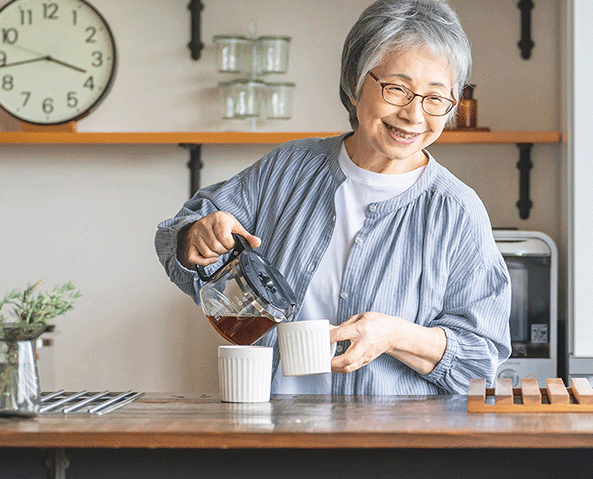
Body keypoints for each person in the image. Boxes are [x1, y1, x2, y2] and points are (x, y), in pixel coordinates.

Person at [155, 0, 511, 395]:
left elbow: (481, 362)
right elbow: (176, 240)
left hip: (392, 449)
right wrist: (197, 238)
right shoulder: (289, 168)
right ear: (355, 83)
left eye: (435, 98)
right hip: (275, 437)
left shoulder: (456, 211)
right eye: (398, 89)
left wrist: (394, 335)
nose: (414, 115)